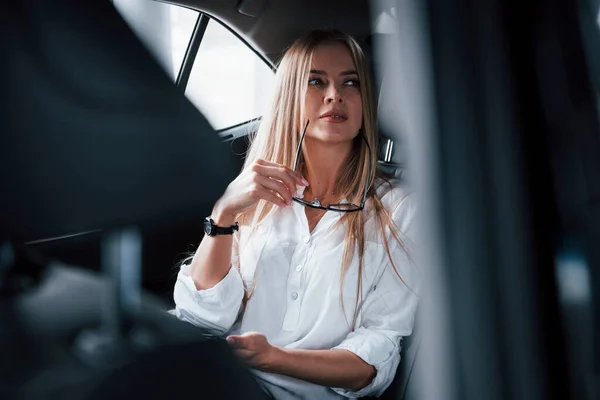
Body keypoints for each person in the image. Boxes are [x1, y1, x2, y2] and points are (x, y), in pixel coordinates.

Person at [171, 29, 419, 399]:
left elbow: (376, 358)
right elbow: (201, 319)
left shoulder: (399, 208)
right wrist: (222, 214)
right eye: (316, 81)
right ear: (289, 97)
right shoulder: (255, 190)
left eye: (350, 83)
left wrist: (272, 358)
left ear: (365, 101)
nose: (335, 95)